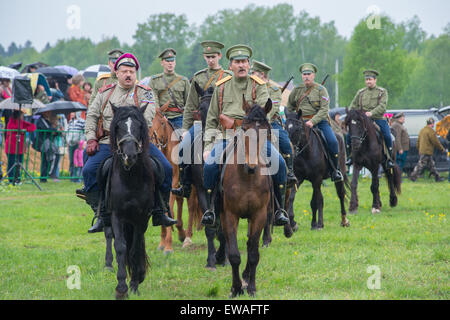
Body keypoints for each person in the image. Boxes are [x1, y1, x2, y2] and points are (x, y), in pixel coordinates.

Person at [82, 52, 176, 233]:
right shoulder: (105, 93)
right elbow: (92, 116)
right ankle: (100, 214)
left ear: (136, 74)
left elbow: (148, 119)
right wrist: (91, 138)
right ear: (116, 73)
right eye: (124, 71)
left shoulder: (145, 92)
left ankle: (160, 210)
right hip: (108, 142)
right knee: (88, 171)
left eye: (131, 72)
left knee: (166, 168)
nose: (128, 75)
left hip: (137, 142)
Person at [202, 44, 289, 227]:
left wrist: (237, 123)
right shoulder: (221, 87)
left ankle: (280, 209)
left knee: (280, 163)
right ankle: (210, 210)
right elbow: (211, 120)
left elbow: (264, 114)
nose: (241, 65)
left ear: (249, 65)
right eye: (237, 62)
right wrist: (208, 147)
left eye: (244, 62)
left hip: (254, 139)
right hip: (226, 137)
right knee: (209, 165)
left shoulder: (259, 86)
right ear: (230, 65)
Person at [172, 40, 232, 198]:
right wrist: (185, 130)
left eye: (213, 56)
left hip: (223, 124)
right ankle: (185, 185)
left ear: (219, 56)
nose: (211, 60)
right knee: (184, 147)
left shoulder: (228, 77)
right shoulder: (198, 77)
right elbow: (190, 106)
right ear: (204, 57)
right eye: (208, 57)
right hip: (200, 123)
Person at [287, 63, 344, 182]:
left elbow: (324, 109)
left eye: (309, 74)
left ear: (314, 75)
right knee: (287, 141)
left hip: (319, 122)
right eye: (304, 74)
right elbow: (289, 107)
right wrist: (293, 118)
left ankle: (335, 170)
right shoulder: (297, 90)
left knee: (333, 141)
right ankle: (289, 171)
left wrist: (313, 121)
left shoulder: (321, 90)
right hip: (301, 123)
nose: (306, 76)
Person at [251, 60, 297, 187]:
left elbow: (273, 108)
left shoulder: (274, 89)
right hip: (252, 124)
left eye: (254, 73)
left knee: (285, 142)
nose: (251, 75)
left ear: (262, 74)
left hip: (271, 122)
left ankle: (290, 172)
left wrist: (263, 121)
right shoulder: (251, 87)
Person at [347, 70, 394, 169]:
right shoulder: (361, 92)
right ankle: (350, 157)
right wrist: (353, 114)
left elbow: (382, 106)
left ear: (375, 80)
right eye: (367, 80)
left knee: (387, 135)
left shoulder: (382, 92)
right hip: (362, 120)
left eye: (370, 79)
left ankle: (389, 158)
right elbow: (353, 105)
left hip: (377, 118)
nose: (368, 82)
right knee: (349, 135)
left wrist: (371, 113)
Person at [149, 48, 190, 128]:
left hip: (179, 117)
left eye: (172, 61)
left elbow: (189, 102)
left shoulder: (183, 81)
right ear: (162, 63)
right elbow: (154, 100)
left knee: (185, 139)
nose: (170, 63)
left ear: (175, 62)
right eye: (167, 61)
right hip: (161, 117)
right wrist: (160, 115)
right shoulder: (155, 80)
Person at [409, 117, 446, 182]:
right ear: (432, 124)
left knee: (432, 166)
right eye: (433, 124)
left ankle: (437, 177)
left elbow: (418, 141)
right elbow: (435, 141)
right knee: (420, 165)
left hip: (423, 150)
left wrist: (419, 148)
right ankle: (413, 176)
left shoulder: (422, 130)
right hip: (427, 151)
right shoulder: (431, 131)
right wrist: (442, 149)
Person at [5, 110, 36, 184]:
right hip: (11, 147)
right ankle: (11, 180)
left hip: (20, 147)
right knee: (11, 164)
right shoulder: (11, 122)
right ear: (18, 115)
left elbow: (33, 127)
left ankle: (17, 179)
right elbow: (13, 128)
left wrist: (25, 130)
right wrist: (20, 130)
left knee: (19, 164)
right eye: (22, 115)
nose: (23, 117)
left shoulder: (22, 122)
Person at [36, 111, 58, 183]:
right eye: (47, 112)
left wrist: (55, 131)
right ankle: (43, 178)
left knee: (49, 160)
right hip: (43, 143)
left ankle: (45, 176)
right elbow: (45, 129)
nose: (49, 113)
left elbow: (50, 130)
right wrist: (54, 130)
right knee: (44, 161)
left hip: (48, 142)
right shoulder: (40, 120)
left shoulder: (46, 121)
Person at [67, 112, 86, 181]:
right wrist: (67, 140)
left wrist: (82, 141)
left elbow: (85, 132)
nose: (72, 114)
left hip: (79, 144)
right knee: (72, 160)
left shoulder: (82, 121)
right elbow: (68, 131)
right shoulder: (70, 122)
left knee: (79, 161)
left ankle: (78, 177)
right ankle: (72, 177)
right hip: (70, 143)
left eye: (73, 112)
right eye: (71, 112)